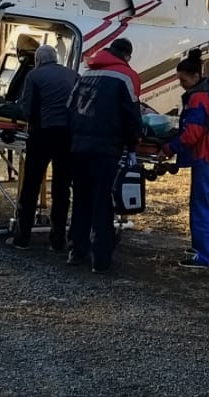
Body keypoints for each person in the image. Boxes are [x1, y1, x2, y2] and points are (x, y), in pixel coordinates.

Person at [66, 38, 141, 273]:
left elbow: (70, 109)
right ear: (127, 55)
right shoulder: (126, 77)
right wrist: (132, 146)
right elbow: (132, 115)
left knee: (80, 200)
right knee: (103, 202)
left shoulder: (86, 74)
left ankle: (75, 251)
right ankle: (100, 258)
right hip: (107, 149)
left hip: (78, 148)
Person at [162, 49, 209, 269]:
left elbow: (192, 133)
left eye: (183, 79)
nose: (181, 83)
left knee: (201, 205)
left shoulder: (199, 98)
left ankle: (203, 256)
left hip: (205, 156)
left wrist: (170, 148)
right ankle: (207, 249)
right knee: (204, 204)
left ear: (195, 77)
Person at [10, 45, 78, 251]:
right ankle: (58, 240)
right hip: (67, 135)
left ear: (39, 60)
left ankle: (22, 238)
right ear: (56, 58)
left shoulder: (34, 76)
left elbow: (28, 108)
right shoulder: (73, 75)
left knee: (31, 185)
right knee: (61, 189)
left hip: (42, 133)